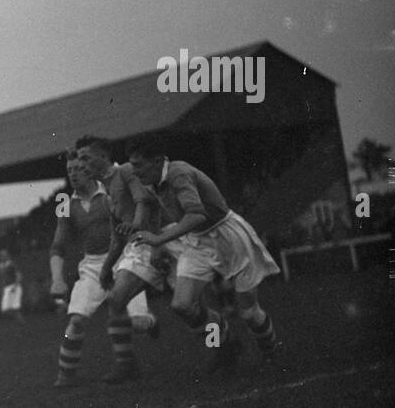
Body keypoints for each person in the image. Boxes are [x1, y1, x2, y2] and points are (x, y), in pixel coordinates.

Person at [126, 135, 281, 372]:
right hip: (197, 241)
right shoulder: (152, 180)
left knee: (249, 312)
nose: (134, 171)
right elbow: (151, 204)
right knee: (181, 305)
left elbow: (197, 214)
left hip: (227, 237)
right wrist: (157, 245)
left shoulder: (178, 173)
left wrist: (159, 239)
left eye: (138, 164)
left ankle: (272, 353)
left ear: (157, 161)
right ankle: (226, 344)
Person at [49, 154, 156, 387]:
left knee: (137, 323)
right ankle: (65, 373)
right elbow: (58, 244)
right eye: (69, 170)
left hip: (124, 257)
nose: (73, 174)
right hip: (92, 265)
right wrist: (57, 278)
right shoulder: (65, 203)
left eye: (78, 168)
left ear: (89, 169)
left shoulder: (109, 192)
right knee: (76, 320)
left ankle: (147, 327)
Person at [0, 249, 24, 321]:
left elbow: (19, 276)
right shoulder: (1, 266)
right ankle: (19, 321)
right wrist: (2, 289)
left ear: (7, 255)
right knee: (4, 310)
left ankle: (23, 326)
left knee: (15, 309)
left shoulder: (12, 264)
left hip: (14, 286)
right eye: (1, 255)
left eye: (4, 255)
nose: (2, 256)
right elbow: (3, 278)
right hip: (6, 288)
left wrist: (15, 286)